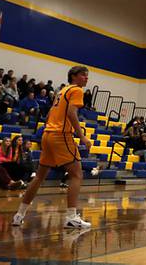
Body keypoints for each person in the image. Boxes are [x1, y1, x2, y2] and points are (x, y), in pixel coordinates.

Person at [12, 66, 93, 229]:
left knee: (39, 177)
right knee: (77, 174)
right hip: (61, 135)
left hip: (48, 134)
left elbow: (49, 114)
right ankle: (71, 217)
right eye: (83, 75)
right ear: (74, 76)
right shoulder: (76, 90)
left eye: (87, 75)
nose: (86, 78)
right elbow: (71, 113)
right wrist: (82, 136)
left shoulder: (62, 91)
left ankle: (19, 215)